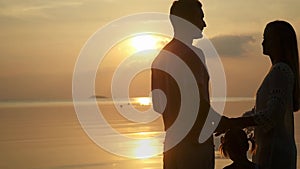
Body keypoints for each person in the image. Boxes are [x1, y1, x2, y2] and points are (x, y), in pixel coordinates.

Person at [151, 0, 229, 168]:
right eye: (200, 18)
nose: (204, 24)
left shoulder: (160, 58)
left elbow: (158, 106)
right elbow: (197, 103)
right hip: (195, 147)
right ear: (185, 20)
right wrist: (228, 123)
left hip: (172, 145)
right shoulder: (193, 55)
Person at [229, 20, 299, 169]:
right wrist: (234, 121)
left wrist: (235, 123)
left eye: (267, 38)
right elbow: (261, 111)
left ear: (278, 42)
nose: (263, 43)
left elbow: (271, 115)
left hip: (275, 154)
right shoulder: (277, 70)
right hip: (273, 150)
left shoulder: (281, 70)